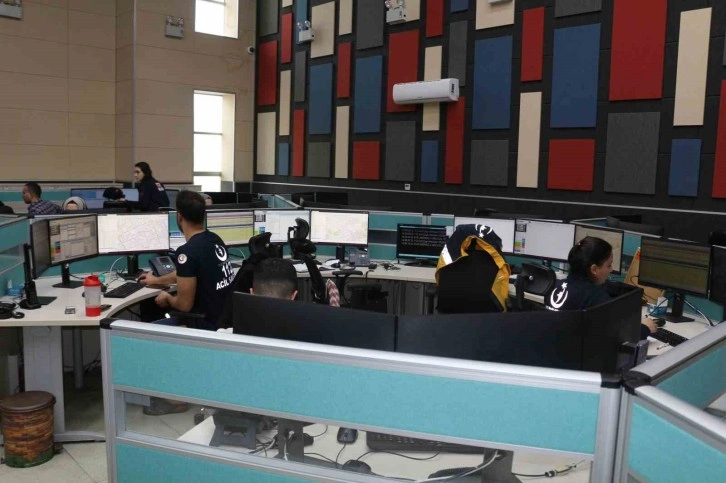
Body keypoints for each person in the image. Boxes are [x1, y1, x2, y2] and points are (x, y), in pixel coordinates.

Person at [138, 190, 234, 331]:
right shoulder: (214, 239)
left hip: (204, 325)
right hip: (223, 321)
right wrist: (156, 280)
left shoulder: (187, 252)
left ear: (179, 217)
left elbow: (184, 305)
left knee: (144, 329)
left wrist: (168, 297)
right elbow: (186, 274)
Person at [546, 236, 657, 339]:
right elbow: (618, 337)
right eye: (609, 265)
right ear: (594, 269)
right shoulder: (596, 298)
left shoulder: (555, 286)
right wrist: (645, 328)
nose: (611, 269)